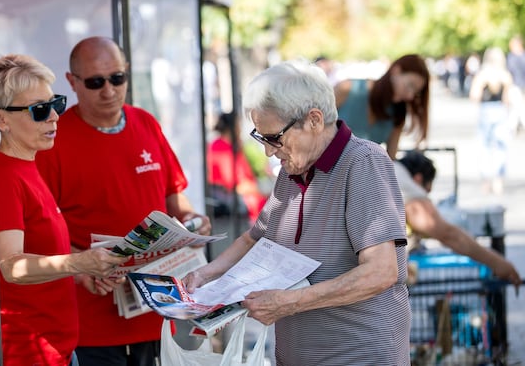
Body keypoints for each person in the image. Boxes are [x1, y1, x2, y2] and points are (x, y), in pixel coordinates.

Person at [183, 61, 410, 365]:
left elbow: (381, 271)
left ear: (314, 120)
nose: (268, 151)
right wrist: (205, 274)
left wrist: (289, 303)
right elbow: (254, 239)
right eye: (260, 137)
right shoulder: (294, 168)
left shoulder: (364, 162)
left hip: (356, 355)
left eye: (274, 138)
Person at [35, 36, 212, 366]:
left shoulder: (145, 122)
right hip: (90, 324)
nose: (109, 91)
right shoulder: (54, 140)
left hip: (156, 311)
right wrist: (80, 265)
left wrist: (191, 219)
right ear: (72, 82)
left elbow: (173, 192)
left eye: (117, 78)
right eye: (95, 82)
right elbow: (40, 230)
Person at [0, 55, 127, 365]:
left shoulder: (24, 166)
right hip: (28, 352)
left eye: (57, 104)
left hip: (55, 348)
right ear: (0, 119)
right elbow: (11, 266)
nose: (54, 116)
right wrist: (80, 263)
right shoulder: (3, 177)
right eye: (39, 110)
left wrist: (81, 273)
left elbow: (40, 250)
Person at [394, 150, 521, 289]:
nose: (426, 198)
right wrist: (497, 263)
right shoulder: (405, 185)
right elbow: (449, 235)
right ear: (418, 179)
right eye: (426, 192)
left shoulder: (389, 171)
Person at [334, 54, 430, 158]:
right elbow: (315, 126)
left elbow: (390, 160)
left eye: (416, 92)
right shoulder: (347, 89)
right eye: (410, 85)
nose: (410, 96)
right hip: (323, 170)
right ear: (396, 70)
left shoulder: (398, 114)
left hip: (362, 173)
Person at [469, 46, 514, 195]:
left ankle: (486, 180)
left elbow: (474, 95)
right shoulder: (505, 75)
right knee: (501, 147)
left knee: (485, 146)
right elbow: (508, 99)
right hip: (500, 111)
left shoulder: (482, 75)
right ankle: (498, 181)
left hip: (486, 110)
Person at [207, 112, 267, 224]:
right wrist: (262, 190)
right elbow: (233, 184)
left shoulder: (231, 146)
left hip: (245, 194)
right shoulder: (220, 148)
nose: (240, 129)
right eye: (238, 125)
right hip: (234, 198)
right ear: (232, 127)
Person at [507, 34, 525, 133]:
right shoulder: (513, 57)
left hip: (517, 85)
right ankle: (512, 127)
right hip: (516, 85)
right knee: (518, 107)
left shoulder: (513, 57)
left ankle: (512, 127)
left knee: (518, 107)